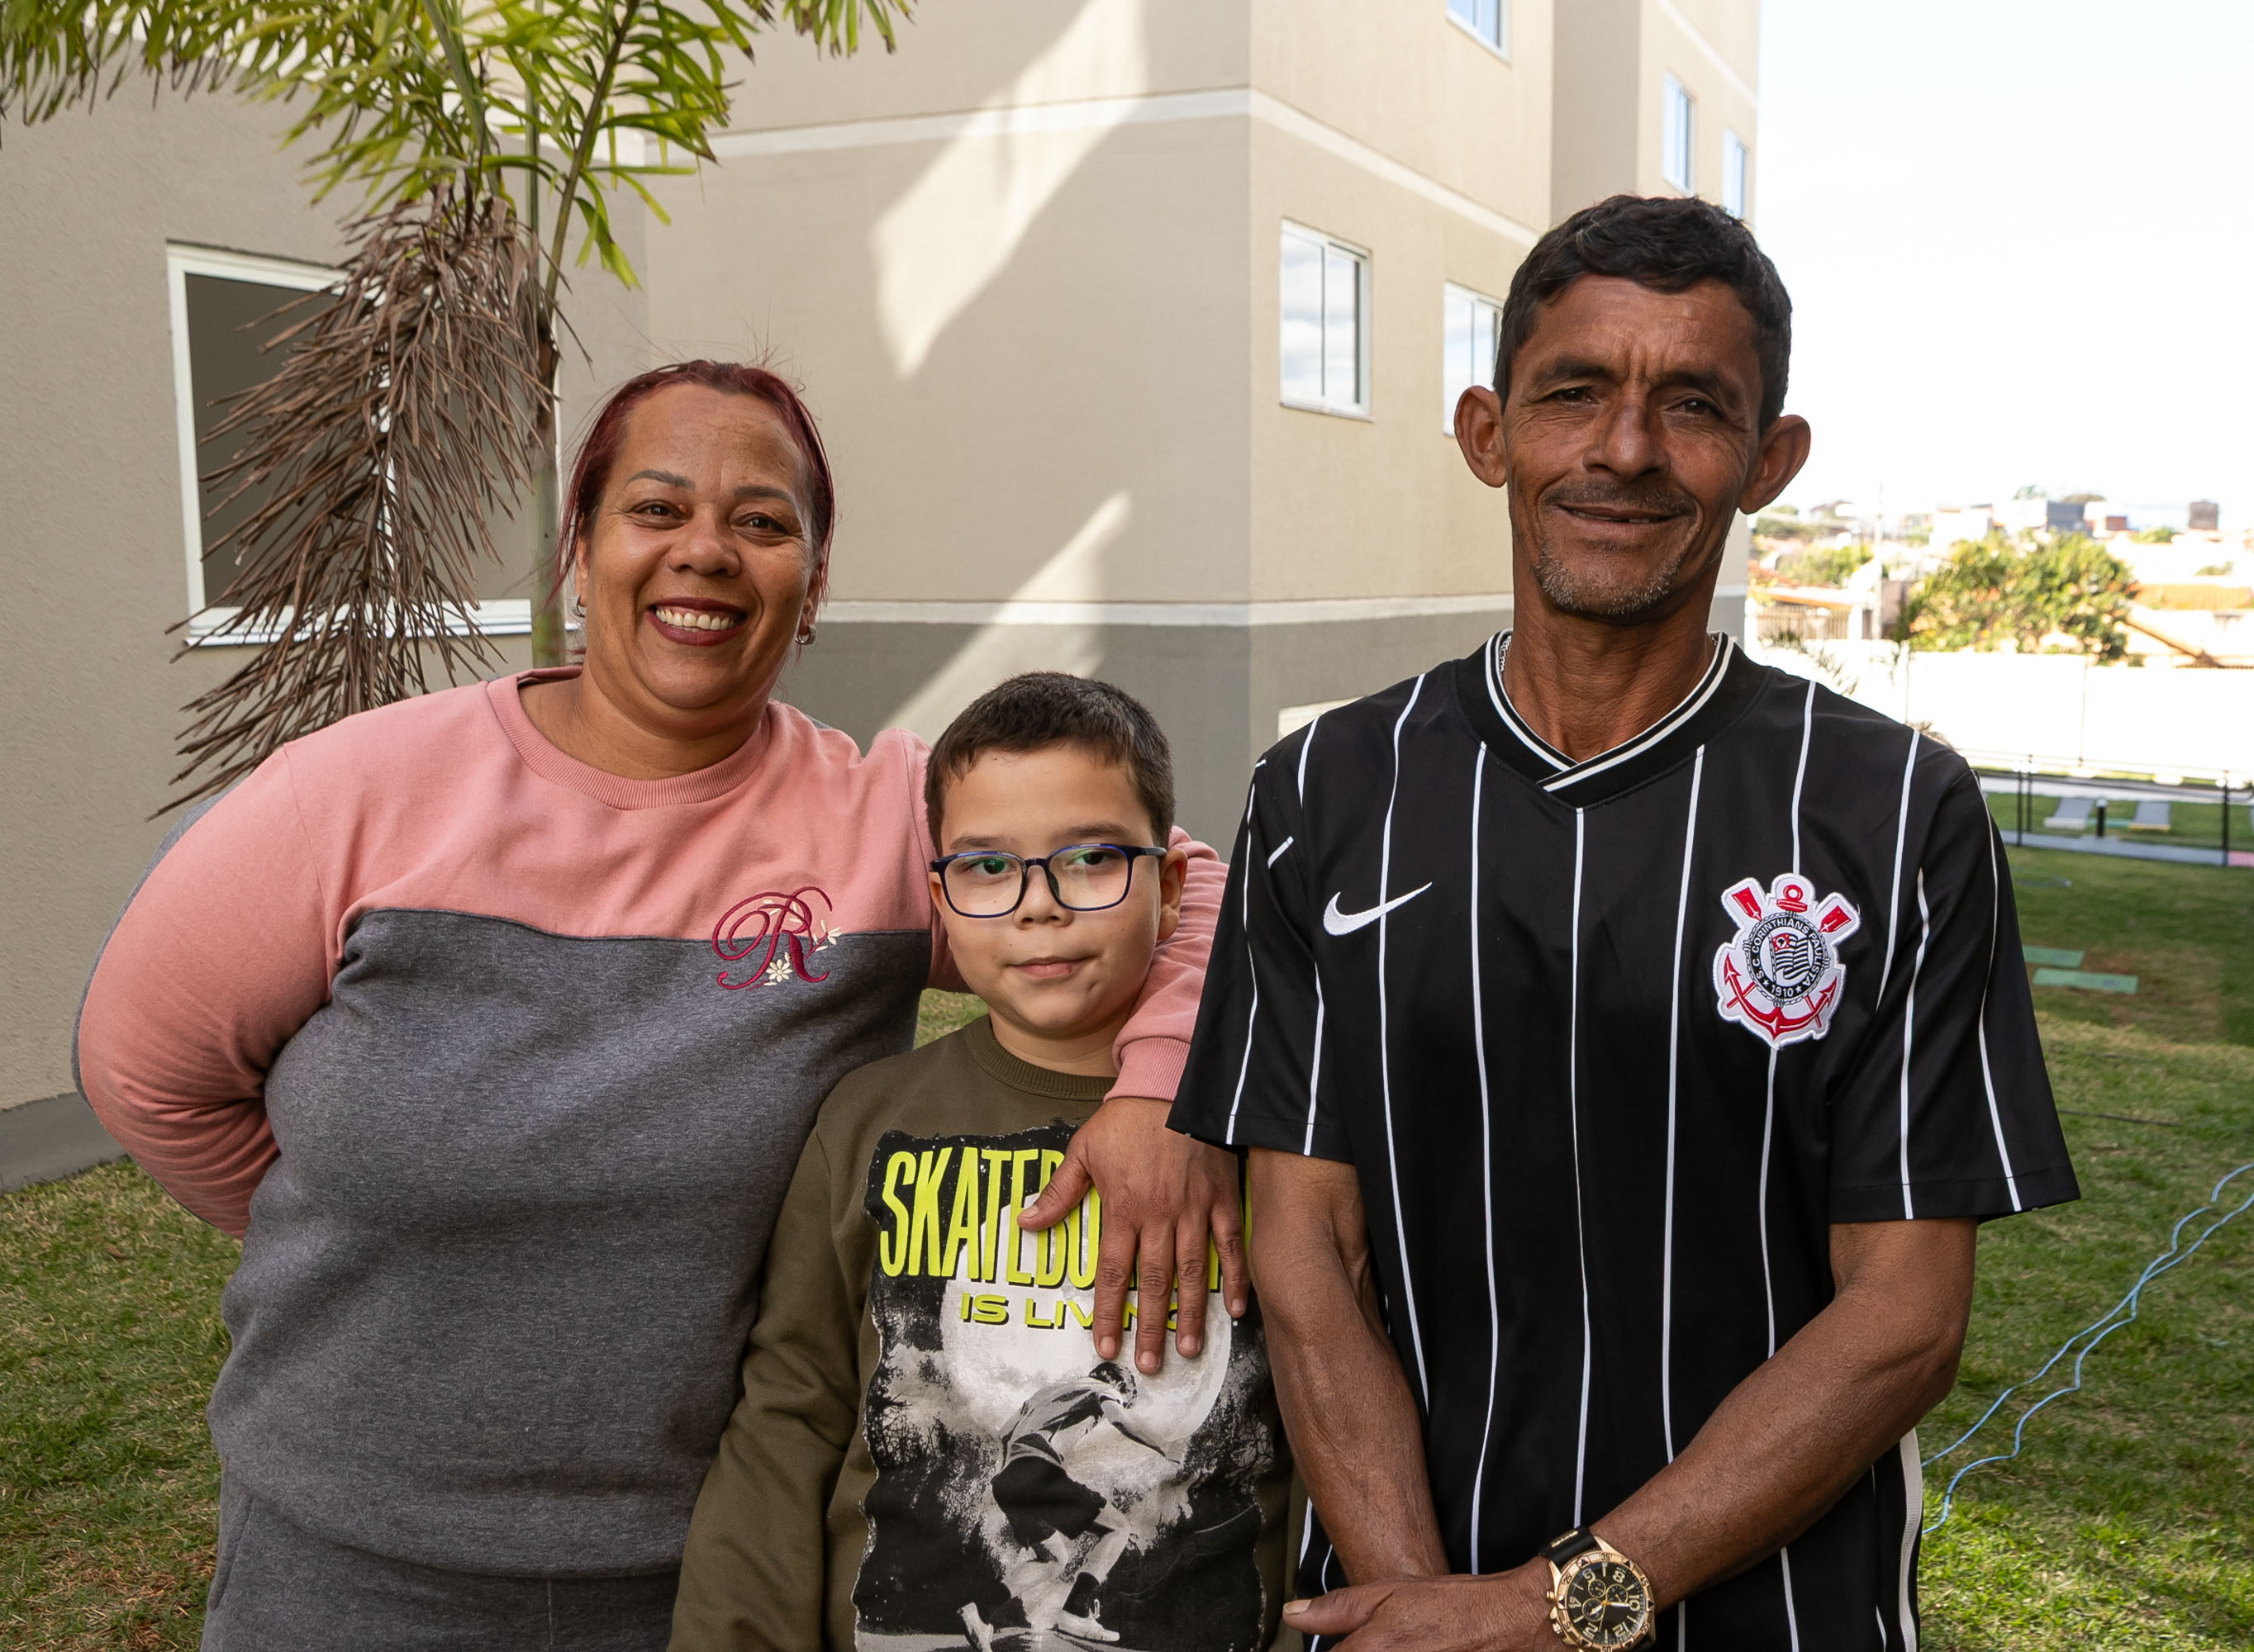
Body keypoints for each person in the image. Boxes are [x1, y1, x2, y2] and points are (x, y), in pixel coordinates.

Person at [74, 365, 1244, 1651]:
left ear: (812, 585)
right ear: (579, 549)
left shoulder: (879, 822)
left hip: (707, 1578)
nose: (707, 552)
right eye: (657, 508)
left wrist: (1154, 1092)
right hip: (343, 1568)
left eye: (762, 522)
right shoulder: (358, 793)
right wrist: (371, 1224)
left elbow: (1192, 895)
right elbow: (147, 1072)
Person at [1167, 196, 2079, 1650]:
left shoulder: (1897, 812)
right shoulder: (1328, 787)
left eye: (1695, 407)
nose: (1627, 450)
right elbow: (1305, 1253)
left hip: (1782, 1617)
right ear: (1487, 432)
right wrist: (1429, 1616)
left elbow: (1903, 1317)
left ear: (1771, 462)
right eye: (1574, 393)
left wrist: (1559, 1609)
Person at [669, 673, 1287, 1652]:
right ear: (940, 900)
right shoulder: (870, 1120)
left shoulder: (1265, 1130)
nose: (1038, 906)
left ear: (1171, 886)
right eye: (989, 867)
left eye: (1090, 859)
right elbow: (789, 1417)